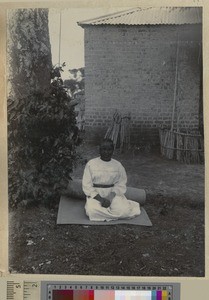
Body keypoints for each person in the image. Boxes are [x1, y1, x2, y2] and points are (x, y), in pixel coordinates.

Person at [82, 139, 141, 221]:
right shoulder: (91, 164)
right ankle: (111, 214)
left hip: (113, 194)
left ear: (113, 150)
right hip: (96, 195)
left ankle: (106, 214)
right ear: (99, 150)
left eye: (109, 149)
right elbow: (87, 185)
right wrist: (101, 199)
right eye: (104, 149)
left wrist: (110, 197)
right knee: (91, 211)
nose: (106, 152)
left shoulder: (118, 165)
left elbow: (121, 184)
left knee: (124, 211)